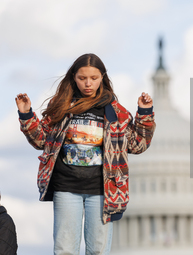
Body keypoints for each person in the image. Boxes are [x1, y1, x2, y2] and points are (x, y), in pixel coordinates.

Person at [15, 53, 156, 255]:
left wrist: (145, 114)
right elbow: (41, 141)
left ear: (102, 78)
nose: (88, 83)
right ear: (74, 77)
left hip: (103, 190)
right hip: (66, 186)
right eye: (82, 78)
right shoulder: (61, 106)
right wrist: (26, 114)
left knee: (98, 251)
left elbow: (138, 145)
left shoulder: (115, 111)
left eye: (93, 78)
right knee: (65, 250)